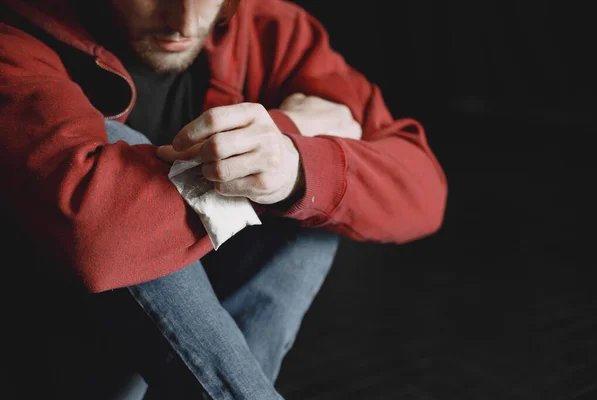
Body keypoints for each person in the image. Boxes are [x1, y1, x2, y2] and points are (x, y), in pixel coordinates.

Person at [0, 0, 448, 398]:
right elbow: (98, 236)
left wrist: (292, 165)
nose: (186, 21)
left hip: (193, 360)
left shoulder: (270, 28)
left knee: (309, 208)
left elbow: (423, 191)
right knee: (115, 153)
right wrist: (290, 133)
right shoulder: (17, 35)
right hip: (54, 354)